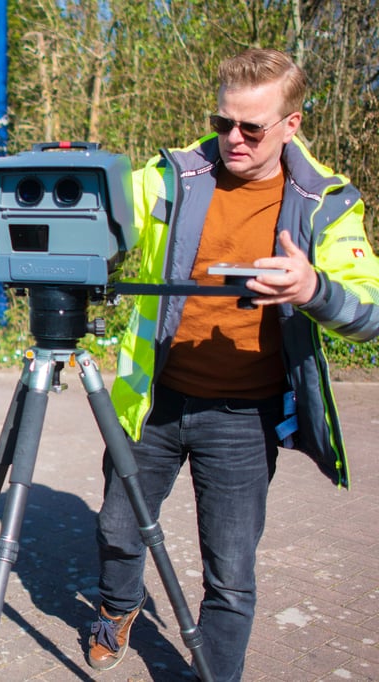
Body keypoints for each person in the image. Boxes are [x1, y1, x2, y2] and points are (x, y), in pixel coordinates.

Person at [88, 48, 379, 681]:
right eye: (223, 123)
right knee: (117, 528)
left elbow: (371, 306)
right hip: (153, 400)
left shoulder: (325, 201)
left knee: (230, 569)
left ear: (291, 124)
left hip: (245, 418)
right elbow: (107, 208)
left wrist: (314, 289)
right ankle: (118, 607)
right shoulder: (173, 177)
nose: (234, 139)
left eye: (252, 127)